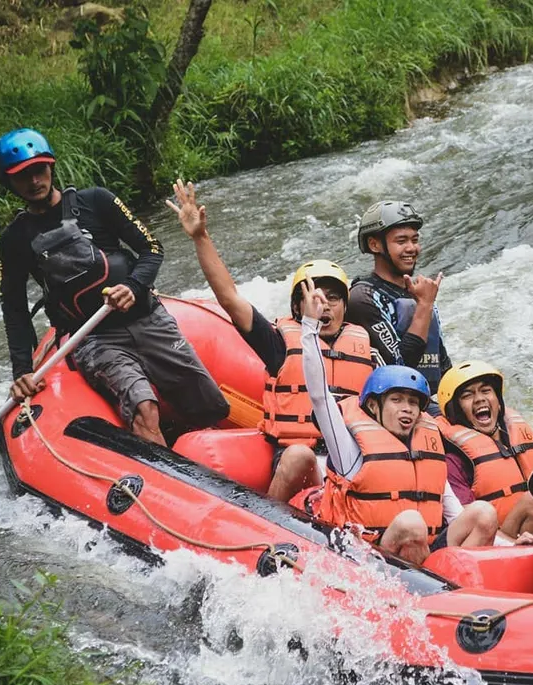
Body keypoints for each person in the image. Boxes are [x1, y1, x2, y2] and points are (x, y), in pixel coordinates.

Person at [0, 129, 228, 446]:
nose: (34, 181)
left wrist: (133, 286)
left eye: (39, 169)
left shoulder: (97, 201)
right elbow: (15, 310)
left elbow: (152, 248)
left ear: (51, 167)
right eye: (22, 176)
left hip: (148, 318)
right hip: (93, 338)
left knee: (210, 407)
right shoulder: (14, 240)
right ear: (8, 182)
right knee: (144, 408)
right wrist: (22, 370)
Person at [165, 179, 374, 501]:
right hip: (299, 455)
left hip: (351, 457)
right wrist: (201, 237)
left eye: (334, 298)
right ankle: (270, 525)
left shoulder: (364, 347)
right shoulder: (278, 343)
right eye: (314, 296)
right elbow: (230, 298)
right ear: (296, 307)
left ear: (346, 307)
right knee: (298, 456)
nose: (325, 304)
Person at [295, 277, 497, 565]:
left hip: (426, 565)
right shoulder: (349, 449)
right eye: (397, 400)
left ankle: (457, 594)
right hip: (369, 557)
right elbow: (319, 396)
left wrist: (508, 543)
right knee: (412, 522)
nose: (408, 410)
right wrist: (309, 327)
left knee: (483, 513)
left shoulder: (426, 447)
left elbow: (456, 516)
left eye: (414, 403)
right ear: (374, 406)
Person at [435, 361, 533, 544]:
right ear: (455, 410)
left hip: (530, 538)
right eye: (467, 395)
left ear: (498, 401)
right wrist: (511, 544)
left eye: (486, 391)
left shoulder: (518, 438)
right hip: (489, 544)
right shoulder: (454, 461)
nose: (479, 399)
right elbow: (466, 523)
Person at [347, 201, 451, 393]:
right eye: (401, 241)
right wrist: (425, 306)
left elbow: (443, 365)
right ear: (374, 244)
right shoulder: (362, 298)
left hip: (429, 400)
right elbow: (399, 366)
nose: (412, 248)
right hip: (393, 404)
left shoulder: (418, 294)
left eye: (415, 240)